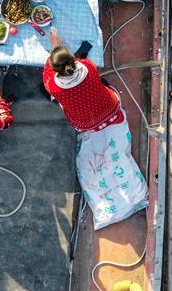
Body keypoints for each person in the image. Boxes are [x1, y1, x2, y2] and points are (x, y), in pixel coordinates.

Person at [43, 29, 147, 229]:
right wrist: (59, 48)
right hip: (109, 109)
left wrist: (54, 46)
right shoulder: (88, 68)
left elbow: (47, 72)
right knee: (101, 86)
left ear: (56, 69)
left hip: (84, 124)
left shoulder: (53, 86)